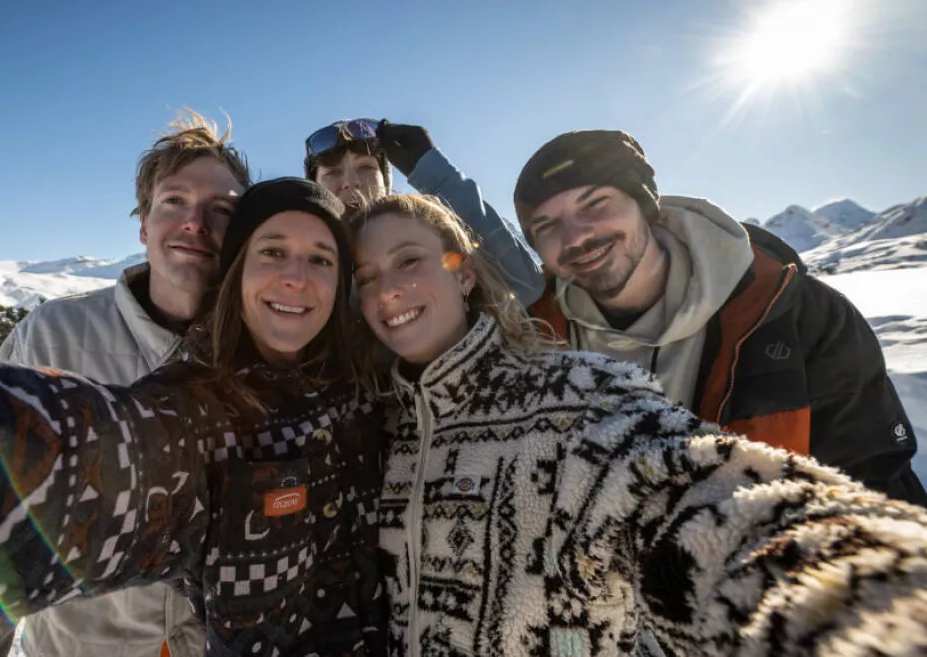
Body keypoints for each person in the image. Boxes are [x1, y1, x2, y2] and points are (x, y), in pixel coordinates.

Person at [0, 178, 386, 657]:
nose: (297, 278)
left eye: (321, 259)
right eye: (273, 250)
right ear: (238, 272)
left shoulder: (374, 384)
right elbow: (38, 462)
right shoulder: (196, 416)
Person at [350, 193, 927, 656]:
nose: (388, 289)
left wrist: (868, 595)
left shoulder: (578, 397)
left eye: (408, 261)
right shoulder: (386, 427)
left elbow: (703, 494)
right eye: (366, 274)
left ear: (465, 273)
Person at [0, 110, 251, 657]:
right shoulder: (54, 339)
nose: (196, 222)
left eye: (221, 210)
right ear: (143, 223)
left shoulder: (260, 353)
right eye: (174, 201)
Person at [512, 129, 926, 505]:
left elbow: (873, 485)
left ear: (643, 205)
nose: (576, 237)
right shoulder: (535, 337)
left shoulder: (794, 313)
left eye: (595, 203)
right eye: (545, 225)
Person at [303, 118, 545, 307]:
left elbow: (522, 286)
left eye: (365, 167)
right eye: (332, 172)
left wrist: (437, 176)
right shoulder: (298, 263)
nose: (350, 182)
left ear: (386, 184)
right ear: (315, 187)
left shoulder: (429, 244)